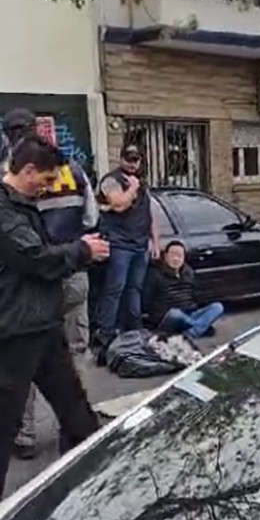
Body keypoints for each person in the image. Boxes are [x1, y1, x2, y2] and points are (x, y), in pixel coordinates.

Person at [0, 135, 107, 520]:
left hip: (39, 322)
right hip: (16, 328)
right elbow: (33, 258)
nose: (46, 188)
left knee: (74, 409)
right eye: (43, 180)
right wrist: (82, 251)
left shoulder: (17, 204)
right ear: (26, 171)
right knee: (3, 422)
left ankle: (91, 483)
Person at [0, 110, 100, 459]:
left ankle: (23, 435)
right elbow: (91, 218)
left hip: (30, 283)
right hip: (72, 273)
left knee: (25, 358)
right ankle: (73, 429)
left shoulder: (6, 176)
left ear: (5, 138)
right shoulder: (71, 171)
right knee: (73, 352)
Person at [94, 144, 161, 360]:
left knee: (134, 289)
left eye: (136, 159)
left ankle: (135, 331)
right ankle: (105, 336)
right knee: (115, 290)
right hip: (119, 244)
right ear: (121, 158)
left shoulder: (142, 184)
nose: (133, 163)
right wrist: (132, 188)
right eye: (129, 159)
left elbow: (149, 214)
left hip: (140, 244)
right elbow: (119, 205)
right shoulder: (110, 180)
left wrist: (155, 241)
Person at [144, 240, 224, 337]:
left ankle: (191, 332)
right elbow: (147, 301)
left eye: (179, 255)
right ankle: (199, 327)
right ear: (165, 256)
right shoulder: (155, 273)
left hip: (189, 312)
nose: (176, 259)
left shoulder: (188, 272)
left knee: (217, 307)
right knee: (176, 314)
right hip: (168, 315)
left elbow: (196, 295)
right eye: (172, 255)